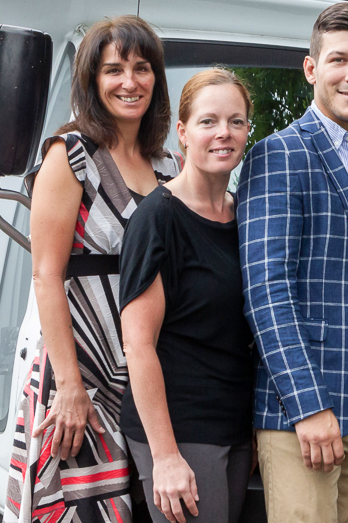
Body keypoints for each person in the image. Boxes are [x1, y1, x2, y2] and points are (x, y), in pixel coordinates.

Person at [238, 2, 348, 523]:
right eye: (339, 59)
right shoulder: (278, 155)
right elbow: (267, 291)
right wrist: (309, 405)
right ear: (312, 68)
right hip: (306, 406)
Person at [5, 16, 181, 523]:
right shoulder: (70, 156)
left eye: (142, 68)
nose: (130, 82)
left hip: (149, 379)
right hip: (81, 375)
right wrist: (68, 387)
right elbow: (46, 276)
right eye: (114, 70)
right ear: (92, 80)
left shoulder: (170, 167)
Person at [119, 69, 256, 523]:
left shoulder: (246, 216)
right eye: (208, 121)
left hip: (234, 424)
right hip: (180, 429)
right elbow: (138, 345)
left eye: (236, 121)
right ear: (182, 132)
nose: (224, 133)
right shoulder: (158, 218)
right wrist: (165, 456)